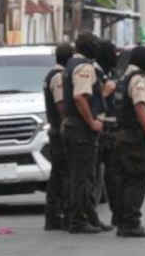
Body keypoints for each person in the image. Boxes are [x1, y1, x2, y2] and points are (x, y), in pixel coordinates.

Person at [62, 32, 107, 234]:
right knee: (82, 177)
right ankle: (78, 221)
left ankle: (89, 218)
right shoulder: (84, 67)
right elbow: (80, 97)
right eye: (94, 44)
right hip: (81, 129)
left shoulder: (70, 64)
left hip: (73, 127)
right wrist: (92, 122)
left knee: (80, 176)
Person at [112, 46, 145, 237]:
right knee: (136, 180)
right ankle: (131, 223)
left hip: (121, 135)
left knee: (124, 180)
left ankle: (123, 221)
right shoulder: (138, 79)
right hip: (134, 137)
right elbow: (140, 106)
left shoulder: (123, 79)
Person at [42, 42, 73, 231]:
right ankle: (57, 215)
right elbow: (61, 105)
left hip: (55, 130)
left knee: (57, 175)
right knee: (62, 175)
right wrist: (67, 124)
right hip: (59, 131)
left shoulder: (51, 75)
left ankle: (54, 215)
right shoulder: (59, 77)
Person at [93, 39, 119, 232]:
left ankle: (116, 215)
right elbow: (89, 100)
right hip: (98, 129)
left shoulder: (106, 72)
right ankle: (90, 216)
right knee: (95, 176)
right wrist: (106, 91)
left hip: (109, 129)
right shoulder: (93, 72)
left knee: (111, 176)